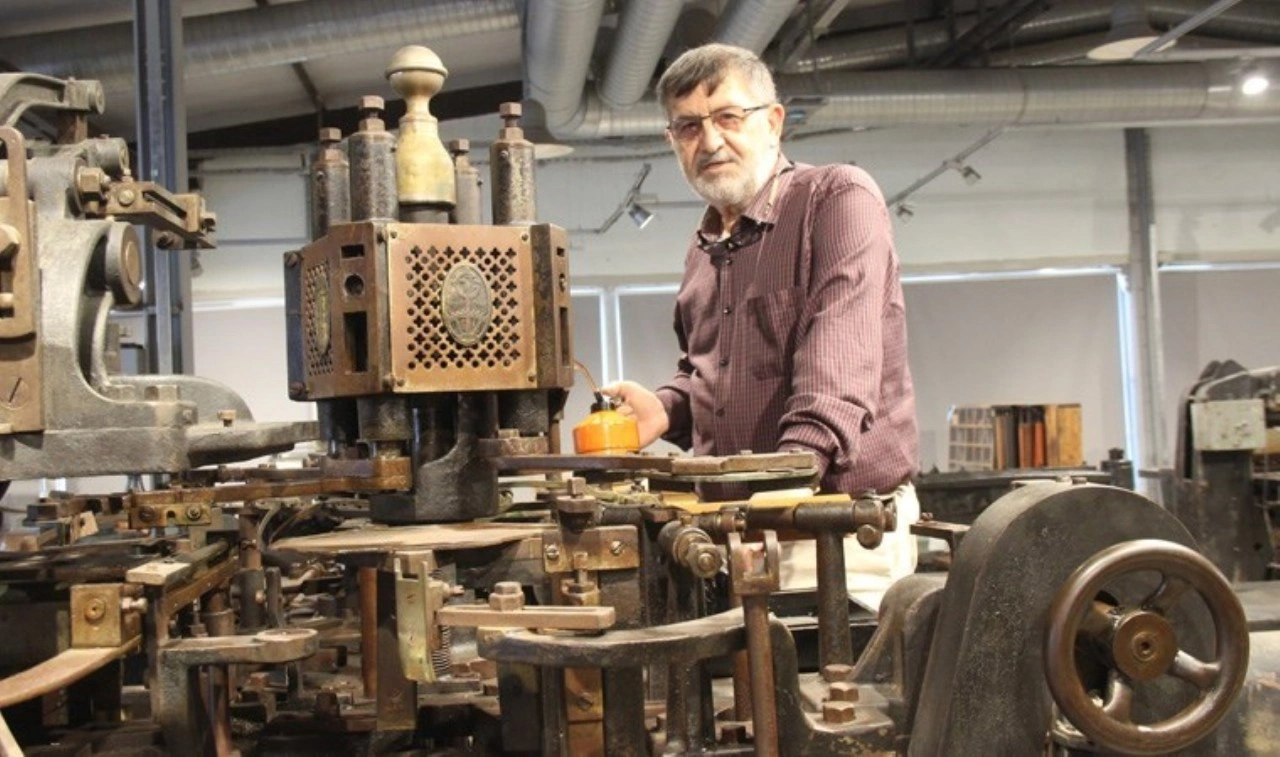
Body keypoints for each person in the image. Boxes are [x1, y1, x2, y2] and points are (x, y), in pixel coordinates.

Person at [602, 43, 920, 610]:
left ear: (773, 121)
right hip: (736, 535)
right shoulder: (704, 250)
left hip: (835, 533)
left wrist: (774, 496)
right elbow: (710, 371)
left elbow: (837, 374)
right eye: (689, 127)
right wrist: (667, 409)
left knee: (824, 671)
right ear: (673, 141)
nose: (710, 141)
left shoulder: (835, 199)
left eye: (728, 117)